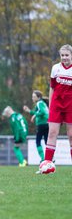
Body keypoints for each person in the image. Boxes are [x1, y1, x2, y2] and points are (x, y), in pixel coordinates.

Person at [39, 44, 72, 172]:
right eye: (62, 55)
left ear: (71, 55)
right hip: (57, 106)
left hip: (70, 107)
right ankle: (47, 164)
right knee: (52, 133)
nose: (64, 58)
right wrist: (51, 105)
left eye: (67, 55)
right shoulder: (55, 68)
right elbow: (52, 88)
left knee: (71, 135)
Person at [23, 90, 49, 162]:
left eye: (34, 97)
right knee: (47, 141)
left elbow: (42, 112)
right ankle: (49, 158)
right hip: (47, 124)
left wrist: (29, 111)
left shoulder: (39, 103)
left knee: (38, 141)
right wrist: (33, 115)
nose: (32, 98)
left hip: (41, 124)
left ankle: (43, 158)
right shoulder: (43, 103)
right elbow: (40, 112)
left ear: (39, 97)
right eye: (32, 97)